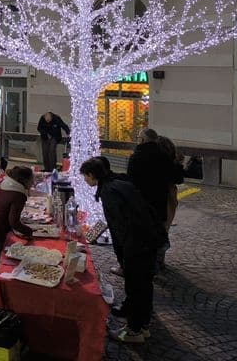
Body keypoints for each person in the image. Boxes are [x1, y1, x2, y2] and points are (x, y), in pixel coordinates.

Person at [81, 156, 165, 343]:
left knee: (135, 286)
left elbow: (120, 226)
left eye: (85, 176)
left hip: (136, 245)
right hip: (147, 241)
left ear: (92, 175)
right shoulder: (118, 182)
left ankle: (134, 331)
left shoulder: (109, 192)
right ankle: (143, 325)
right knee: (144, 285)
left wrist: (125, 254)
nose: (85, 180)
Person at [0, 166, 35, 301]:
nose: (33, 182)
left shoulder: (5, 185)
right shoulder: (18, 194)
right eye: (32, 180)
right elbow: (13, 221)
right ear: (25, 180)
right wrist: (29, 231)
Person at [127, 128, 179, 272]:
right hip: (161, 201)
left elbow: (132, 182)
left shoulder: (137, 157)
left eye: (139, 138)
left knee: (142, 234)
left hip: (142, 202)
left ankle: (146, 264)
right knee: (161, 230)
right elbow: (176, 177)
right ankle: (158, 261)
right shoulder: (164, 158)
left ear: (143, 140)